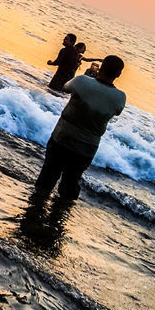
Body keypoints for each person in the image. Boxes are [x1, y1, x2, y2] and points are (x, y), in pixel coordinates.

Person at [33, 55, 126, 201]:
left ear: (101, 67)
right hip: (87, 148)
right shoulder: (120, 97)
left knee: (47, 177)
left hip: (62, 138)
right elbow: (117, 110)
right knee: (70, 183)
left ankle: (35, 209)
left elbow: (65, 88)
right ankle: (60, 214)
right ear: (119, 74)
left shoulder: (82, 81)